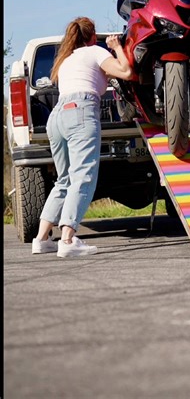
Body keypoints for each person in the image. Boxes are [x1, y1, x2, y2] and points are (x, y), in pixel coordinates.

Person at [31, 16, 133, 257]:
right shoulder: (95, 52)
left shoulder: (66, 60)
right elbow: (126, 71)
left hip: (57, 117)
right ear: (91, 35)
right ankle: (67, 239)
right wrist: (117, 47)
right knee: (83, 176)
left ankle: (41, 238)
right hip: (81, 112)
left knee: (64, 179)